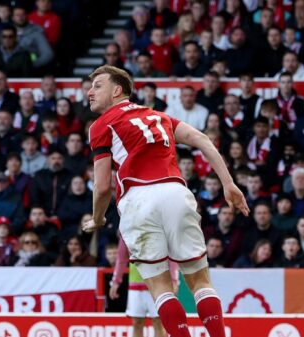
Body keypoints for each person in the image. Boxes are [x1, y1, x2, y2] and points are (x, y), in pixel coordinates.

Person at [83, 65, 249, 337]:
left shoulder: (101, 125)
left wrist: (98, 217)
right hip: (175, 193)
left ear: (117, 91)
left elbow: (102, 187)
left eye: (97, 85)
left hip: (138, 200)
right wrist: (228, 183)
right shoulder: (158, 116)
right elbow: (202, 139)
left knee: (160, 287)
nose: (90, 92)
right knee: (200, 282)